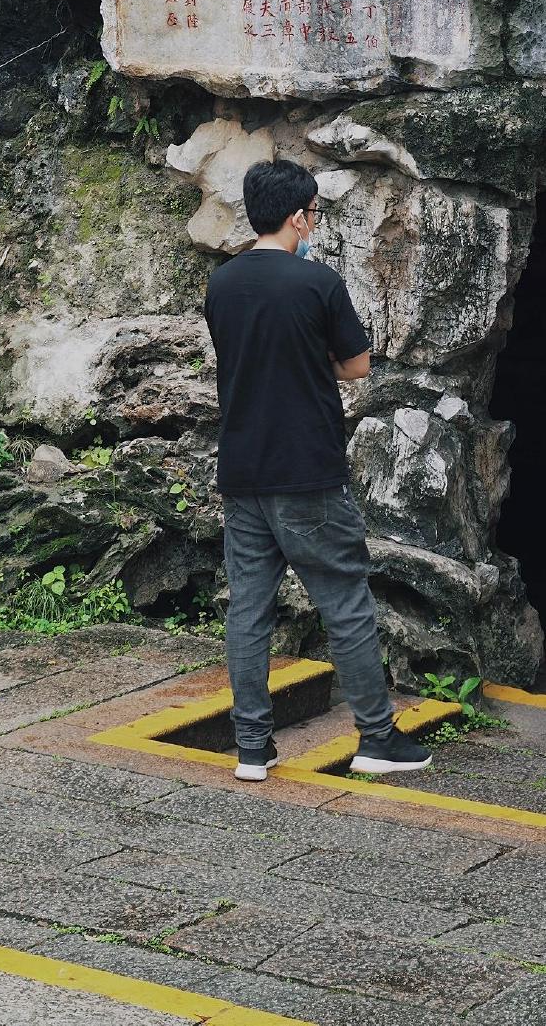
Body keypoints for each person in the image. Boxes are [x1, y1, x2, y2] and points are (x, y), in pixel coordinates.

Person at [203, 157, 430, 783]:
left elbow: (242, 361)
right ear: (300, 216)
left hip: (242, 468)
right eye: (313, 214)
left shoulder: (221, 285)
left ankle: (252, 747)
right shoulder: (317, 283)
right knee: (345, 603)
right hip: (307, 470)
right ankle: (377, 738)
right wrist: (311, 362)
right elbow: (356, 366)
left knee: (248, 609)